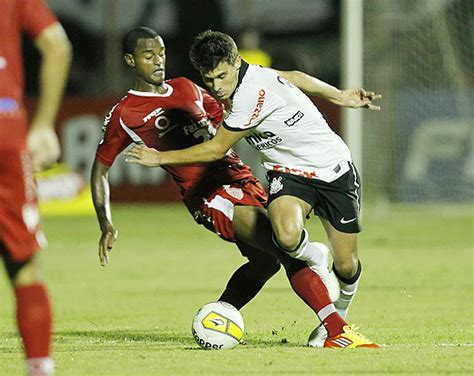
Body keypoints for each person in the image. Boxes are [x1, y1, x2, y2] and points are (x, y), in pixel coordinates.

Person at [92, 26, 377, 349]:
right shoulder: (125, 113)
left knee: (267, 261)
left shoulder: (188, 88)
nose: (158, 61)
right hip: (209, 195)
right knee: (281, 246)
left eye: (161, 53)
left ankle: (219, 318)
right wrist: (106, 222)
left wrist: (160, 158)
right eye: (148, 55)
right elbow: (99, 170)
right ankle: (336, 329)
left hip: (243, 178)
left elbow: (219, 139)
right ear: (130, 61)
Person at [0, 1, 72, 375]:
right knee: (24, 266)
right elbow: (57, 44)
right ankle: (39, 368)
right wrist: (43, 125)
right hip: (5, 129)